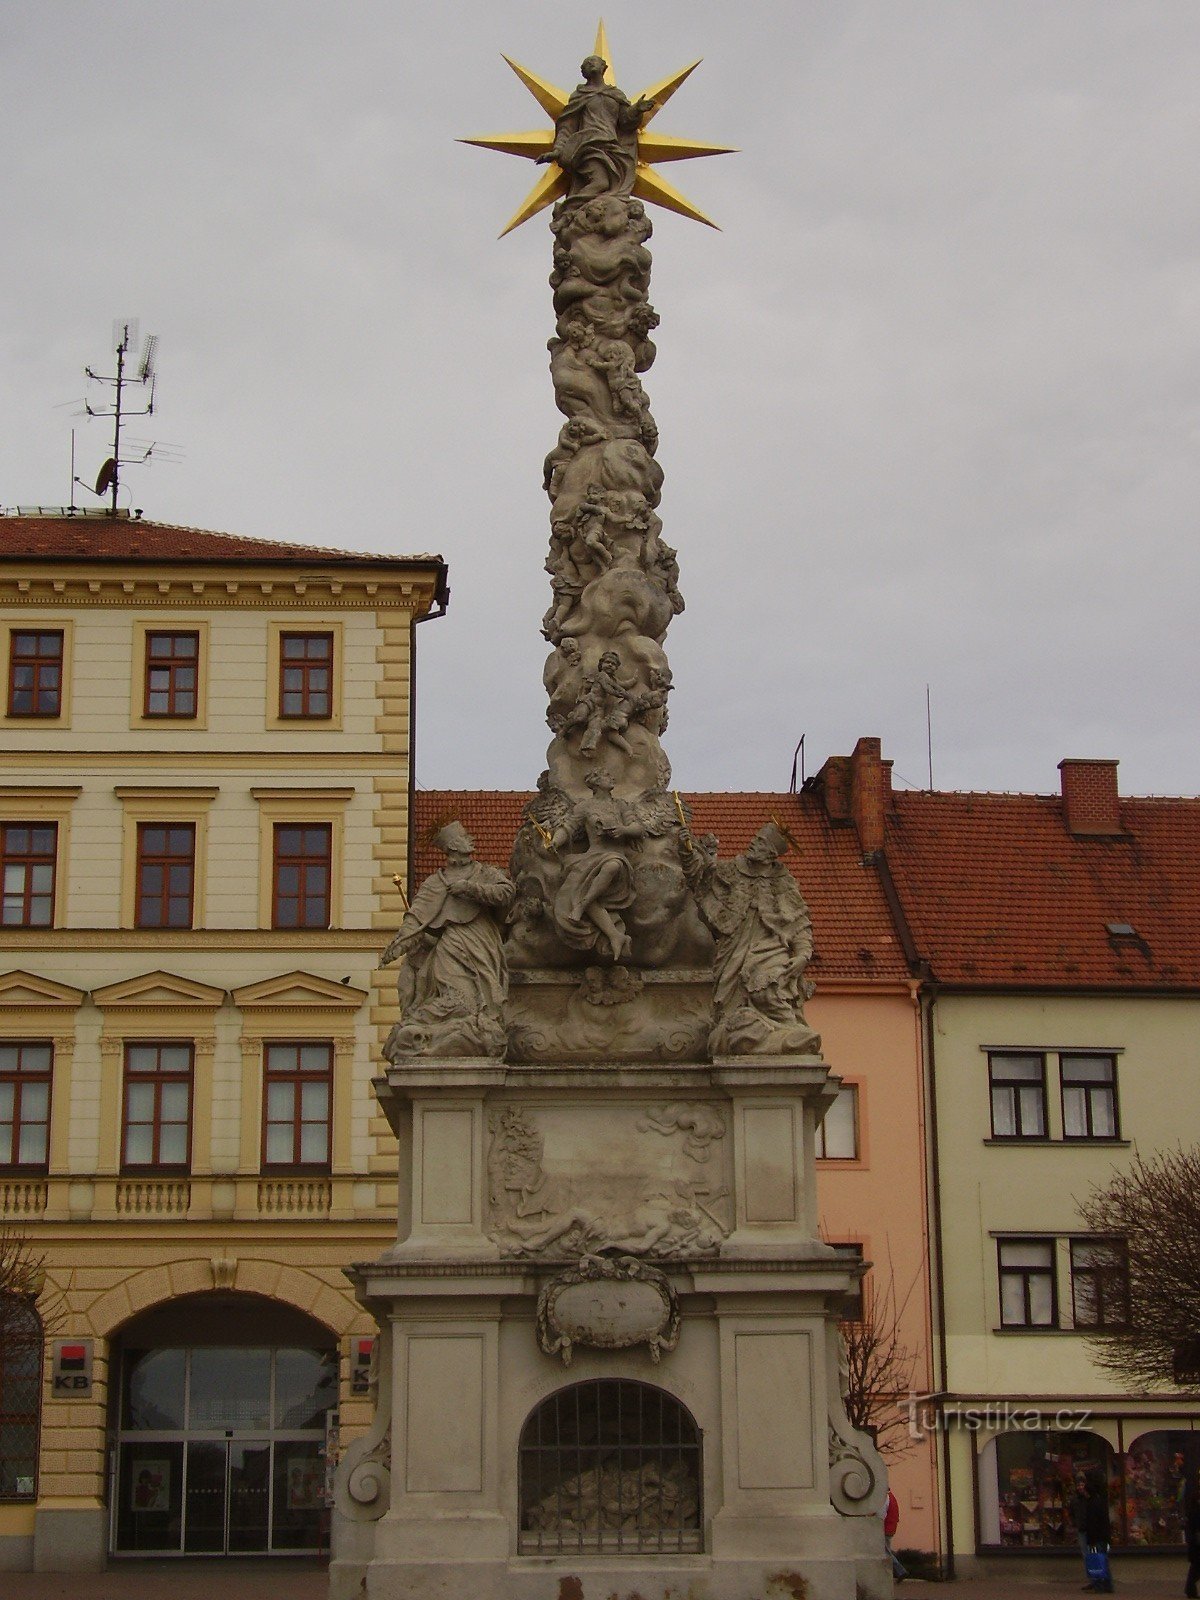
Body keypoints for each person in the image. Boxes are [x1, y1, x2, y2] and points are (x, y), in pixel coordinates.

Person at [537, 55, 655, 202]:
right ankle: (573, 208)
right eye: (586, 63)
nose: (590, 63)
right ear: (583, 72)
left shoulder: (615, 95)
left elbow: (625, 123)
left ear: (603, 67)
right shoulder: (580, 96)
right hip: (586, 144)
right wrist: (558, 150)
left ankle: (582, 210)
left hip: (611, 146)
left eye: (594, 61)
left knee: (611, 186)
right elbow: (567, 126)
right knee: (601, 183)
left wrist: (637, 109)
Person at [1082, 1471, 1114, 1593]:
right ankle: (1108, 1585)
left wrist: (1092, 1539)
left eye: (1085, 1491)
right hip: (1104, 1536)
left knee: (1096, 1561)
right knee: (1104, 1561)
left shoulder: (1092, 1504)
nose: (1083, 1493)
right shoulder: (1100, 1502)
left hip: (1096, 1538)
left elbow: (1093, 1524)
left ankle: (1099, 1585)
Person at [883, 1485, 907, 1582]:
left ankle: (900, 1571)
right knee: (886, 1550)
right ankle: (898, 1571)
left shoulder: (885, 1498)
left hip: (885, 1528)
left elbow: (882, 1514)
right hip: (891, 1527)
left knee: (886, 1552)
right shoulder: (892, 1497)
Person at [1069, 1474, 1090, 1585]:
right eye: (1078, 1485)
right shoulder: (1074, 1500)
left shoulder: (1089, 1498)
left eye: (1082, 1484)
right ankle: (1090, 1578)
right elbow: (1071, 1513)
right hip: (1081, 1529)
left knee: (1092, 1553)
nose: (1080, 1487)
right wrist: (1075, 1523)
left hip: (1091, 1529)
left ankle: (1096, 1577)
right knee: (1085, 1554)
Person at [1185, 1472, 1200, 1599]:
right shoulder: (1196, 1509)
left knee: (1195, 1567)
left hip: (1195, 1543)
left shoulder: (1193, 1508)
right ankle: (1190, 1589)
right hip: (1197, 1543)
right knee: (1196, 1568)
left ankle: (1190, 1589)